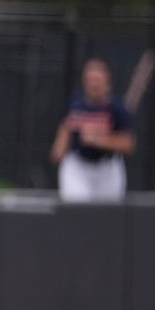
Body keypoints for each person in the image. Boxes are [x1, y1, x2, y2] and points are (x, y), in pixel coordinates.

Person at [52, 58, 134, 202]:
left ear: (107, 82)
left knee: (105, 216)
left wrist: (99, 140)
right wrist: (59, 148)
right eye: (90, 80)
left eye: (97, 80)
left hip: (107, 168)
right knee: (77, 210)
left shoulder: (117, 109)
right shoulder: (76, 104)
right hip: (78, 165)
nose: (93, 84)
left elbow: (128, 144)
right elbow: (66, 126)